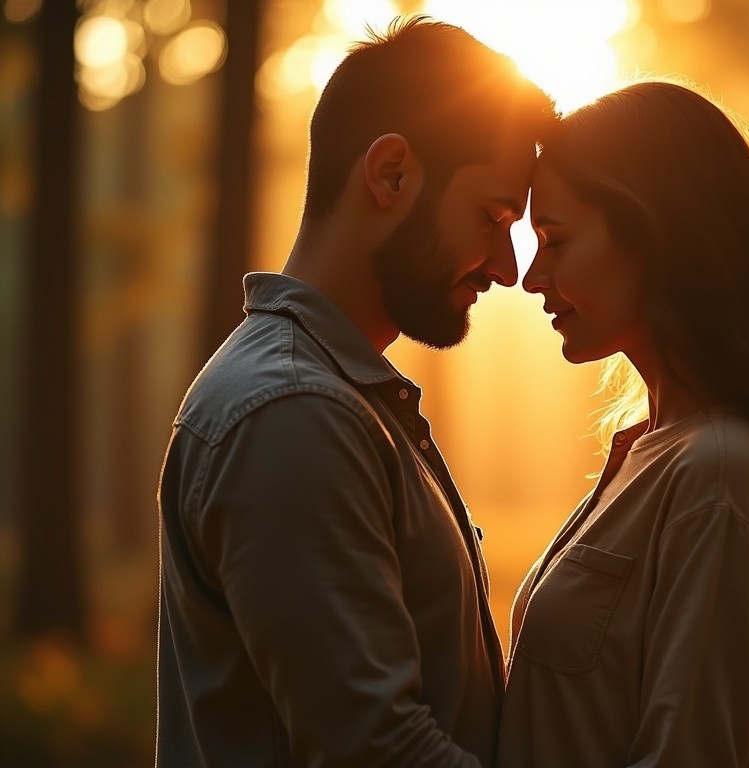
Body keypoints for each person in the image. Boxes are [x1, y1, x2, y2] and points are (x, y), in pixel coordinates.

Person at [156, 16, 555, 768]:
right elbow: (378, 751)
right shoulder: (293, 413)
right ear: (392, 174)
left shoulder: (339, 400)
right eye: (493, 217)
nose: (505, 268)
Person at [497, 80, 749, 767]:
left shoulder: (721, 473)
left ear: (653, 234)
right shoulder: (652, 451)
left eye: (556, 241)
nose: (533, 278)